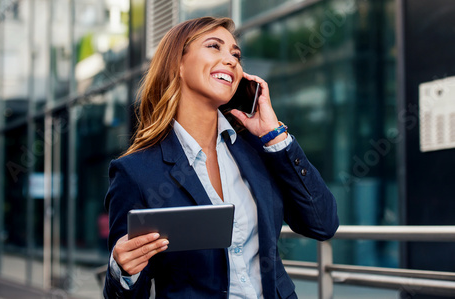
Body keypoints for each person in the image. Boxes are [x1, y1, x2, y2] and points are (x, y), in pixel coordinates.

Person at [103, 16, 339, 299]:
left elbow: (322, 223)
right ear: (177, 64)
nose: (230, 60)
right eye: (214, 46)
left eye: (236, 54)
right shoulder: (136, 172)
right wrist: (124, 270)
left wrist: (275, 136)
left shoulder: (257, 151)